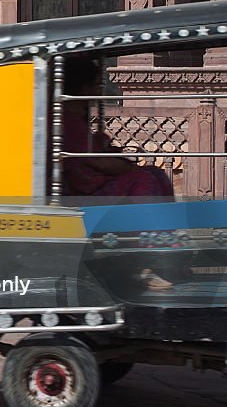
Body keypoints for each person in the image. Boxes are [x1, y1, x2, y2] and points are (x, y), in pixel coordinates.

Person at [62, 57, 174, 291]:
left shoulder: (77, 118)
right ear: (82, 89)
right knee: (144, 179)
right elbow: (99, 162)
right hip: (85, 187)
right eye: (93, 85)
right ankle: (144, 258)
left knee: (155, 175)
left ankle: (161, 248)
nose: (97, 90)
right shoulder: (68, 120)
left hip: (93, 180)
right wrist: (131, 169)